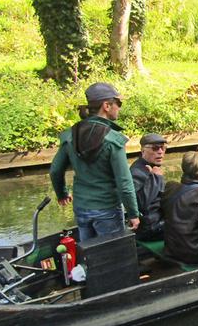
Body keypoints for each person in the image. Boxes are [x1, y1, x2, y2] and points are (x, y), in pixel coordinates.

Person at [50, 82, 139, 241]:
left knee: (89, 252)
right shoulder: (113, 140)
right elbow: (124, 183)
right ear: (106, 105)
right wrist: (133, 213)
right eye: (118, 103)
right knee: (111, 255)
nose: (119, 107)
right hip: (107, 208)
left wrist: (62, 193)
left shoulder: (71, 135)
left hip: (81, 207)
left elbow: (56, 170)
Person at [130, 133, 167, 241]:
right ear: (143, 151)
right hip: (151, 228)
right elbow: (143, 203)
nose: (160, 152)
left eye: (163, 148)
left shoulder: (151, 167)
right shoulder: (137, 172)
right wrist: (156, 178)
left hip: (156, 221)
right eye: (155, 148)